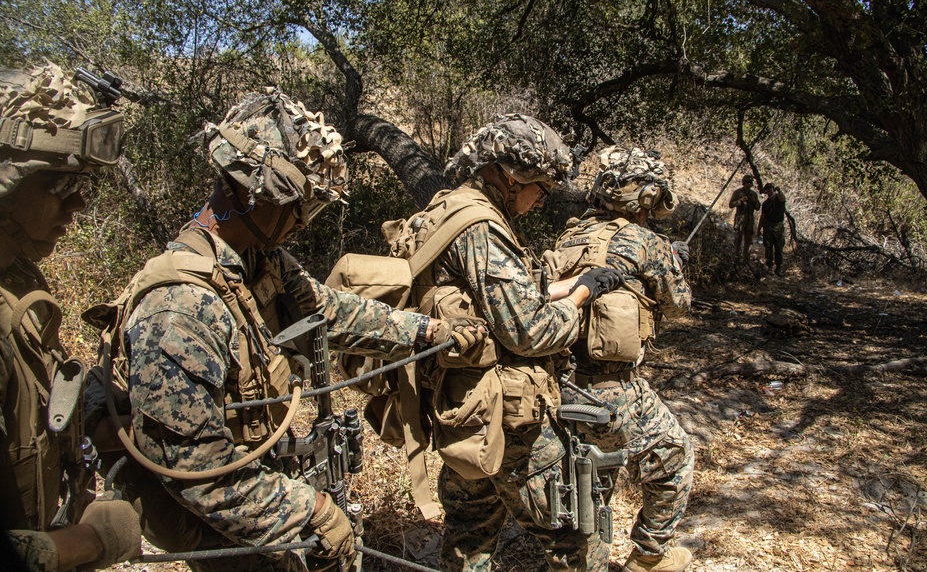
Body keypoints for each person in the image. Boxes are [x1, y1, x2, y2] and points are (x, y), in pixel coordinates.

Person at [82, 89, 486, 572]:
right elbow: (197, 473)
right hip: (214, 521)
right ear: (257, 192)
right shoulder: (179, 309)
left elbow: (330, 311)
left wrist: (428, 331)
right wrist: (312, 512)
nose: (302, 223)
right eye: (300, 206)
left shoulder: (257, 257)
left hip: (254, 472)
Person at [392, 114, 623, 572]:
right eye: (542, 186)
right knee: (578, 533)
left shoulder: (446, 208)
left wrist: (560, 285)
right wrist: (579, 299)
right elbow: (530, 330)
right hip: (510, 416)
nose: (541, 200)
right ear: (513, 176)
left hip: (463, 407)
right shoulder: (481, 225)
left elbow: (488, 298)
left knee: (470, 535)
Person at [0, 63, 142, 571]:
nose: (79, 204)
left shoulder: (19, 280)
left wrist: (102, 422)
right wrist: (90, 542)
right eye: (60, 185)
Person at [548, 146, 695, 572]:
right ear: (647, 196)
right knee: (676, 457)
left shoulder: (570, 235)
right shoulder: (646, 241)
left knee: (588, 488)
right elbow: (679, 305)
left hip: (559, 384)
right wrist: (676, 262)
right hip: (612, 391)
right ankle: (650, 557)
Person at [728, 174, 760, 262]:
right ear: (743, 183)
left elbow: (757, 207)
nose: (749, 184)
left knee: (748, 239)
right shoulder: (737, 192)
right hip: (740, 217)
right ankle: (736, 257)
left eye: (750, 182)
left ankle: (745, 259)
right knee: (738, 238)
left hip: (750, 218)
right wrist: (740, 201)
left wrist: (754, 201)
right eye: (747, 182)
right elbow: (731, 205)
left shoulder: (753, 194)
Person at [757, 182, 787, 275]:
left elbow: (783, 198)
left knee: (779, 247)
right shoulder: (765, 203)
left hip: (778, 226)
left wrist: (779, 190)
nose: (769, 190)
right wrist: (759, 228)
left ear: (773, 189)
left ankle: (778, 268)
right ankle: (769, 266)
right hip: (768, 226)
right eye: (767, 188)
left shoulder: (778, 198)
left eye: (770, 188)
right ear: (765, 191)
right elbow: (763, 216)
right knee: (768, 247)